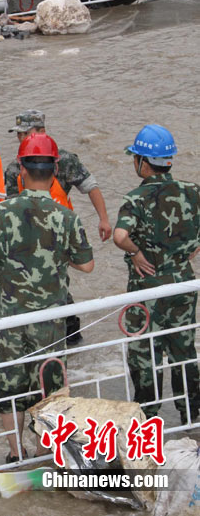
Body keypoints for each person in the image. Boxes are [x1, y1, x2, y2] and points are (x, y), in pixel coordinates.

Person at [0, 133, 94, 463]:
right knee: (50, 386)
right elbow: (87, 265)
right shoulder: (67, 217)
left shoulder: (0, 212)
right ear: (54, 172)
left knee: (10, 386)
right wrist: (58, 255)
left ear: (22, 171)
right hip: (50, 321)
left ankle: (16, 454)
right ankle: (44, 452)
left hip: (10, 319)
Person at [112, 124, 200, 424]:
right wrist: (193, 247)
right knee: (183, 348)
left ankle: (148, 416)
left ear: (143, 163)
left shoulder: (136, 198)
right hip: (183, 285)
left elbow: (120, 236)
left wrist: (135, 253)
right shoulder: (192, 191)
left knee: (144, 352)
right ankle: (191, 415)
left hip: (147, 288)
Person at [3, 109, 111, 346]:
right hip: (30, 237)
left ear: (42, 131)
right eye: (18, 134)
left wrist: (103, 219)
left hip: (60, 231)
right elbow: (9, 209)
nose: (21, 138)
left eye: (25, 133)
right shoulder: (14, 169)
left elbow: (90, 186)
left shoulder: (64, 161)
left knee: (57, 283)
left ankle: (69, 337)